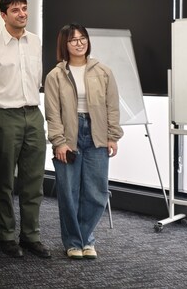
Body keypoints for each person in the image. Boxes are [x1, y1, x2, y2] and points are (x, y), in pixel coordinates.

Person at [0, 0, 51, 259]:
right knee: (5, 181)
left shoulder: (35, 42)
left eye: (24, 8)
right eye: (15, 10)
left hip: (33, 114)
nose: (22, 14)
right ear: (3, 15)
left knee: (34, 182)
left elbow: (37, 79)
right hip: (5, 116)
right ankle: (6, 236)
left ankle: (31, 235)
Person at [44, 23, 123, 259]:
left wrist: (113, 136)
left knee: (97, 193)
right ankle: (73, 242)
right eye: (73, 40)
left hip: (96, 133)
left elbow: (112, 106)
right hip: (69, 135)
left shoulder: (103, 71)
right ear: (64, 45)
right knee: (69, 192)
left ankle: (86, 238)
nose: (79, 43)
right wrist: (58, 141)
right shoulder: (55, 75)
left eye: (83, 38)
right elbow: (52, 112)